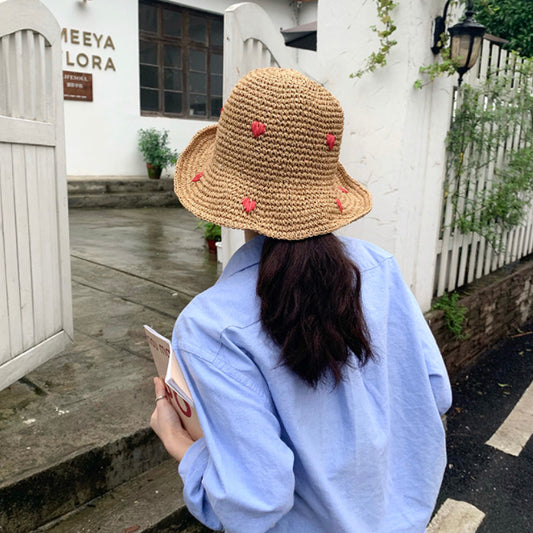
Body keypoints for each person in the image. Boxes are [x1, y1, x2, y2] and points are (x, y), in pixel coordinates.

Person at [150, 68, 452, 533]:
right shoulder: (380, 269)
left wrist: (180, 443)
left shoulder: (211, 327)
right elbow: (435, 393)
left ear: (226, 191)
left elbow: (256, 503)